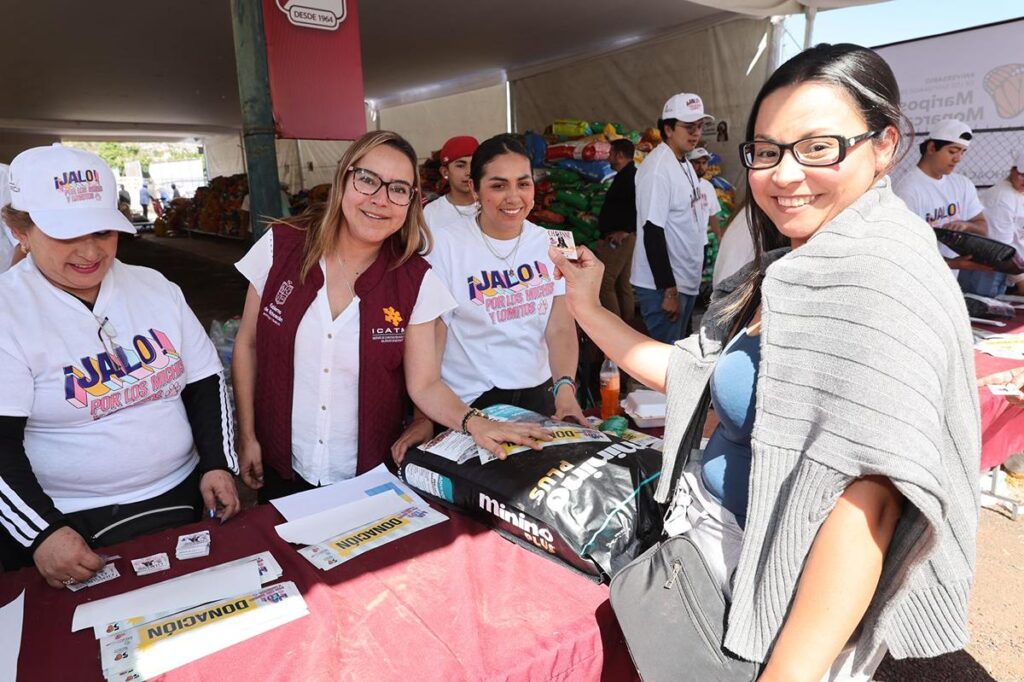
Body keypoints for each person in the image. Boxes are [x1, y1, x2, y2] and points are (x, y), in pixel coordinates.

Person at [553, 44, 978, 681]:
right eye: (768, 150)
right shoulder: (797, 263)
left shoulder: (878, 276)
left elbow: (870, 504)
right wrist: (588, 308)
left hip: (789, 596)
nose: (784, 174)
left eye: (817, 147)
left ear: (885, 145)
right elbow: (696, 371)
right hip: (728, 555)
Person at [232, 131, 548, 501]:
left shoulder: (416, 280)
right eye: (367, 180)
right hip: (281, 461)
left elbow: (425, 384)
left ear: (411, 202)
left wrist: (473, 422)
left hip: (368, 472)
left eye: (398, 189)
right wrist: (248, 435)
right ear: (344, 178)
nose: (380, 200)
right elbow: (248, 345)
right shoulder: (281, 245)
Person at [0, 144, 239, 586]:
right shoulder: (9, 313)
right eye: (66, 234)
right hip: (70, 519)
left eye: (103, 232)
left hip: (181, 493)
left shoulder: (154, 287)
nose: (90, 252)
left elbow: (205, 381)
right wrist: (42, 534)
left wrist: (218, 462)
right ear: (21, 230)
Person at [422, 134, 586, 423]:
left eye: (523, 183)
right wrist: (424, 414)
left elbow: (560, 326)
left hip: (541, 393)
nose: (513, 197)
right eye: (498, 185)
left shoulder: (558, 242)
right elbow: (435, 333)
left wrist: (564, 390)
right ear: (474, 189)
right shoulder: (442, 246)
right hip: (470, 401)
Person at [631, 92, 713, 344]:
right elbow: (652, 232)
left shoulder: (685, 164)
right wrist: (669, 291)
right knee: (665, 368)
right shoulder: (657, 170)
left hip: (684, 282)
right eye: (688, 127)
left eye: (699, 126)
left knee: (679, 363)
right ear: (668, 128)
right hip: (664, 288)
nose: (695, 133)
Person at [892, 119, 991, 291]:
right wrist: (954, 263)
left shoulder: (962, 184)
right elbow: (907, 250)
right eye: (953, 151)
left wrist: (965, 225)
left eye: (963, 152)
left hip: (949, 284)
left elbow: (983, 227)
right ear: (931, 148)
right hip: (917, 285)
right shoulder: (908, 190)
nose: (958, 158)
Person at [594, 138, 637, 321]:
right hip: (621, 236)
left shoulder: (631, 177)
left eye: (611, 154)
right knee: (622, 285)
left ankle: (615, 330)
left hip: (620, 238)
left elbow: (640, 206)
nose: (608, 158)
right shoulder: (624, 176)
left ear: (619, 155)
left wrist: (626, 230)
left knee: (605, 283)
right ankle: (627, 325)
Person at [979, 147, 1024, 294]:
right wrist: (1021, 281)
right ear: (1013, 170)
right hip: (994, 273)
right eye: (1022, 174)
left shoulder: (1018, 192)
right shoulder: (1002, 198)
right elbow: (1001, 249)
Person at [422, 135, 479, 232]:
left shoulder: (492, 206)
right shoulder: (431, 212)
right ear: (445, 172)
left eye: (474, 164)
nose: (469, 172)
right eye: (460, 165)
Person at [687, 147, 722, 240]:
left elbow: (712, 215)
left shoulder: (709, 187)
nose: (701, 167)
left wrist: (719, 236)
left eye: (704, 163)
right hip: (684, 243)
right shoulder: (681, 185)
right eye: (697, 163)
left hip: (702, 242)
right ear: (689, 163)